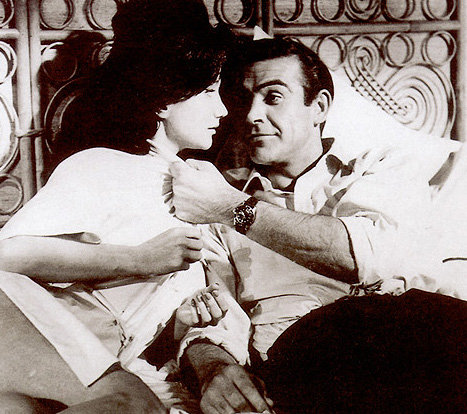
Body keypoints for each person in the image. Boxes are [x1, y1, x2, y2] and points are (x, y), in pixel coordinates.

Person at [170, 36, 467, 413]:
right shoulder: (214, 205)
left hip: (415, 337)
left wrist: (234, 208)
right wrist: (214, 367)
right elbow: (210, 312)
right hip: (308, 358)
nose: (251, 115)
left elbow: (370, 257)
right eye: (242, 101)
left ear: (320, 107)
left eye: (273, 97)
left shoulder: (381, 165)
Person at [0, 0, 235, 412]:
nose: (224, 109)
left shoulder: (201, 190)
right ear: (164, 100)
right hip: (35, 338)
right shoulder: (103, 165)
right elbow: (8, 256)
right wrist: (141, 259)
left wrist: (181, 323)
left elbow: (136, 331)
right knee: (130, 404)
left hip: (97, 364)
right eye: (210, 92)